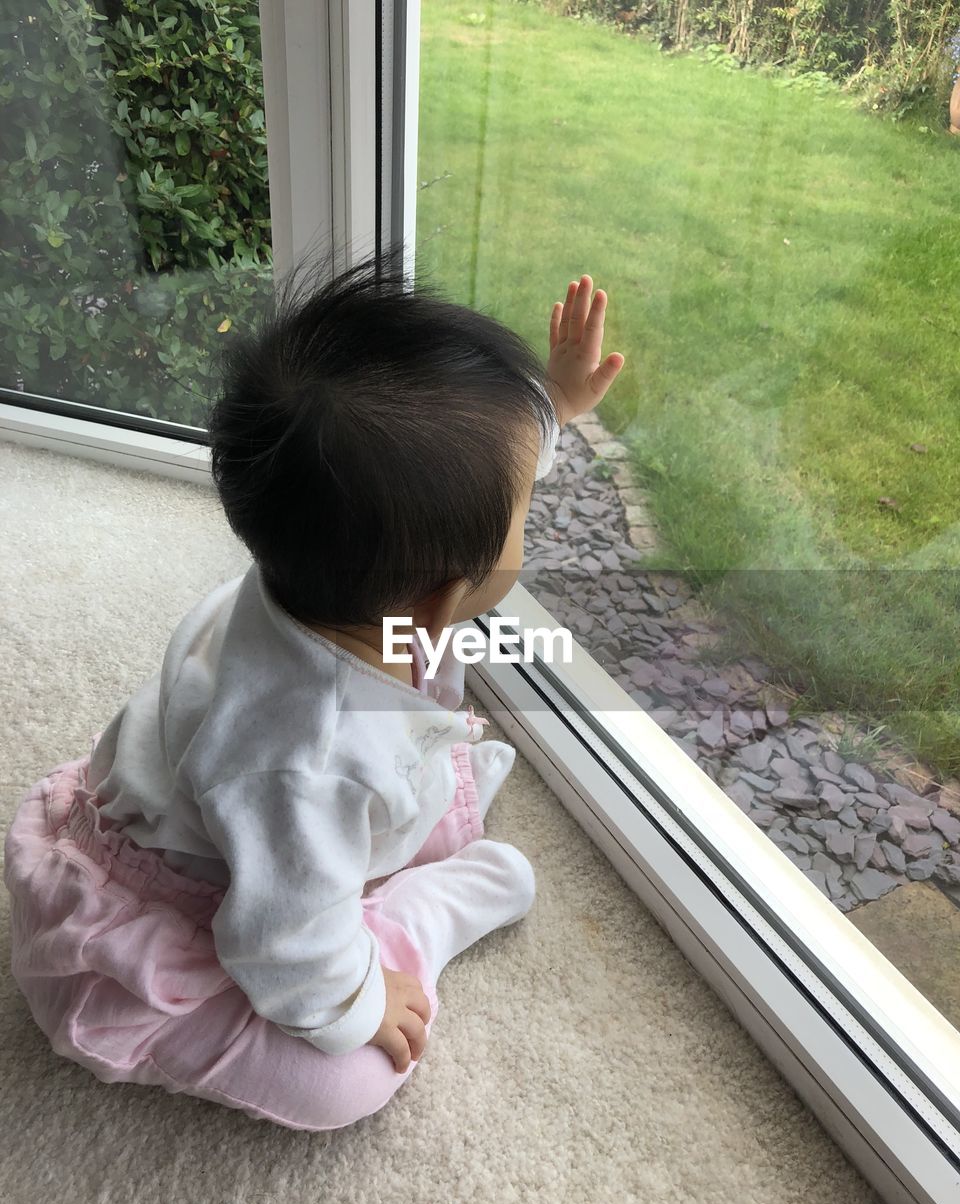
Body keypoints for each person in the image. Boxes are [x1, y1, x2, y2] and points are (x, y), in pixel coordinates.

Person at [3, 244, 624, 1132]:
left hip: (210, 810)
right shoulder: (312, 761)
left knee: (381, 799)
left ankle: (388, 875)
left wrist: (551, 409)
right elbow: (279, 949)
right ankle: (413, 919)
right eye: (525, 505)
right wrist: (361, 1008)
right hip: (201, 903)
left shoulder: (318, 578)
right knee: (345, 1085)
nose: (530, 510)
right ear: (443, 594)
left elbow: (460, 495)